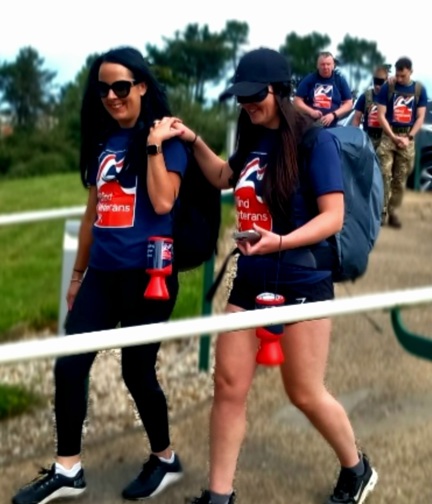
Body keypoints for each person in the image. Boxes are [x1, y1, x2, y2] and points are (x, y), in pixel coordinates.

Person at [171, 47, 378, 504]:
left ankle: (357, 467)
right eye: (241, 96)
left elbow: (333, 218)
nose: (247, 103)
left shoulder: (313, 141)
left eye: (255, 95)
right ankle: (219, 496)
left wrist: (279, 241)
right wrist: (192, 141)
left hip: (303, 280)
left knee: (303, 391)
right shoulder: (250, 135)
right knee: (228, 385)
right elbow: (225, 176)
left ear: (281, 91)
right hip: (251, 277)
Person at [11, 46, 188, 504]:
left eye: (122, 86)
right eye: (104, 88)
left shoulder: (167, 139)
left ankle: (165, 458)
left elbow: (165, 200)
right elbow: (93, 215)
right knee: (69, 365)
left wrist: (150, 144)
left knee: (136, 372)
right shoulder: (102, 141)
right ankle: (67, 469)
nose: (112, 95)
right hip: (102, 277)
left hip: (149, 276)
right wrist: (77, 276)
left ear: (142, 86)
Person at [376, 56, 428, 228]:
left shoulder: (419, 90)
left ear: (410, 72)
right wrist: (392, 136)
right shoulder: (388, 87)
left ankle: (393, 211)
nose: (399, 79)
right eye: (397, 75)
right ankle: (381, 212)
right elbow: (381, 115)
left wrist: (409, 137)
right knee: (384, 173)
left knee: (400, 179)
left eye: (403, 76)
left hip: (407, 139)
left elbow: (420, 117)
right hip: (389, 137)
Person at [293, 51, 353, 128]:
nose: (325, 67)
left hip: (333, 126)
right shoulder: (309, 79)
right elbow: (297, 101)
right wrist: (311, 112)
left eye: (328, 64)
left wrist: (333, 115)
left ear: (333, 65)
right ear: (317, 66)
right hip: (311, 125)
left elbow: (349, 103)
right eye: (322, 64)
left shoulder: (340, 80)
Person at [352, 65, 389, 150]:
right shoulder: (365, 96)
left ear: (386, 80)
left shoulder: (390, 97)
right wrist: (355, 138)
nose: (377, 86)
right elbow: (356, 119)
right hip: (368, 138)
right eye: (375, 82)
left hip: (384, 140)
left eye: (380, 82)